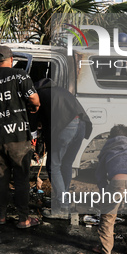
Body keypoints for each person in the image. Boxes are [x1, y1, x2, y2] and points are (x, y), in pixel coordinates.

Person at [0, 46, 41, 228]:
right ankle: (23, 219)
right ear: (11, 59)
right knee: (21, 179)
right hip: (18, 137)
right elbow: (34, 99)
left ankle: (1, 217)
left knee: (0, 179)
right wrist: (35, 107)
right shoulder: (20, 75)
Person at [34, 79, 92, 219]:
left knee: (53, 166)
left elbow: (39, 121)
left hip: (68, 126)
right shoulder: (60, 91)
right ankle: (63, 201)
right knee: (66, 164)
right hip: (82, 125)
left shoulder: (39, 94)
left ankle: (62, 208)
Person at [92, 125, 127, 254]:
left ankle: (105, 249)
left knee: (108, 215)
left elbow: (100, 174)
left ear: (111, 137)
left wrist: (104, 191)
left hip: (117, 181)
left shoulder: (107, 150)